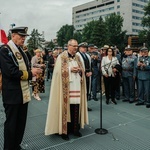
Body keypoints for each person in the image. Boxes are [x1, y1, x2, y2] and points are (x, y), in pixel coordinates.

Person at [0, 27, 42, 150]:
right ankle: (9, 147)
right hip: (12, 94)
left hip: (23, 93)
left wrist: (34, 70)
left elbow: (26, 66)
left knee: (21, 123)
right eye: (21, 35)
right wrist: (30, 73)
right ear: (13, 35)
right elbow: (10, 72)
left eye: (25, 36)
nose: (23, 38)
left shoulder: (21, 50)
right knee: (11, 124)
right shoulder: (4, 50)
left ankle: (16, 145)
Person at [45, 39, 88, 141]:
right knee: (66, 108)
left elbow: (83, 69)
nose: (75, 48)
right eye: (73, 46)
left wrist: (80, 70)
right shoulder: (62, 57)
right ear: (68, 46)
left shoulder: (78, 57)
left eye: (76, 46)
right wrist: (69, 70)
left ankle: (75, 129)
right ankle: (65, 131)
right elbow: (57, 72)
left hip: (77, 86)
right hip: (66, 88)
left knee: (76, 107)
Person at [76, 42, 93, 111]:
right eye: (83, 47)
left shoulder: (87, 55)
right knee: (81, 90)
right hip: (81, 75)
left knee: (86, 90)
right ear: (79, 48)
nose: (85, 49)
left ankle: (85, 105)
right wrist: (84, 72)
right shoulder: (77, 55)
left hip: (88, 75)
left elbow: (90, 65)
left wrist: (91, 71)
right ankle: (80, 106)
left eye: (85, 48)